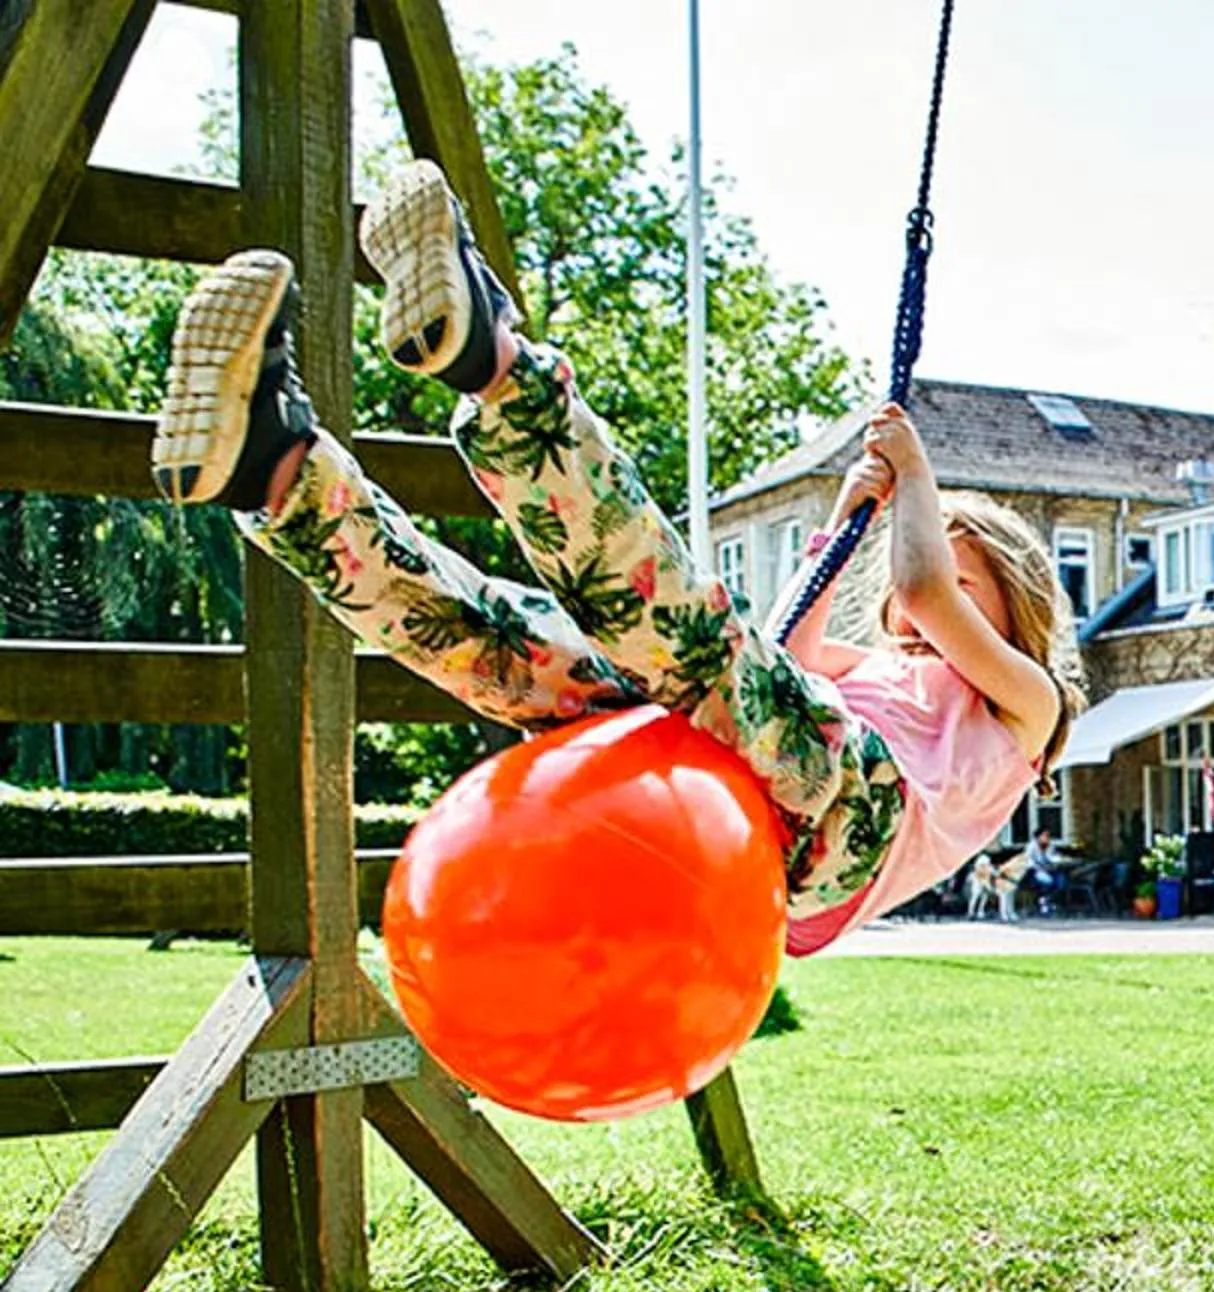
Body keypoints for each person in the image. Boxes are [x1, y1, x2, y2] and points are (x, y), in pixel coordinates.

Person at [148, 162, 1083, 958]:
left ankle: (498, 360)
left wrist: (913, 477)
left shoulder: (1023, 707)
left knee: (692, 639)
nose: (925, 610)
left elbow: (914, 587)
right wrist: (841, 532)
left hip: (849, 828)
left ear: (1021, 604)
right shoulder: (878, 676)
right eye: (937, 585)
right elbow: (781, 651)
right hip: (757, 789)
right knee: (518, 651)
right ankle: (276, 474)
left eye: (970, 588)